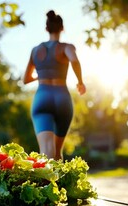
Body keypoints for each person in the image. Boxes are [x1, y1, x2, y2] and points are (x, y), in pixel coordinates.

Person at [23, 10, 86, 160]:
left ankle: (45, 182)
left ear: (47, 29)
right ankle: (58, 182)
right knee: (57, 153)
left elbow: (25, 79)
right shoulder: (67, 47)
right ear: (62, 28)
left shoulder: (35, 50)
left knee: (46, 150)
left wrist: (41, 75)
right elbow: (75, 60)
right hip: (62, 98)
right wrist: (80, 82)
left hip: (42, 97)